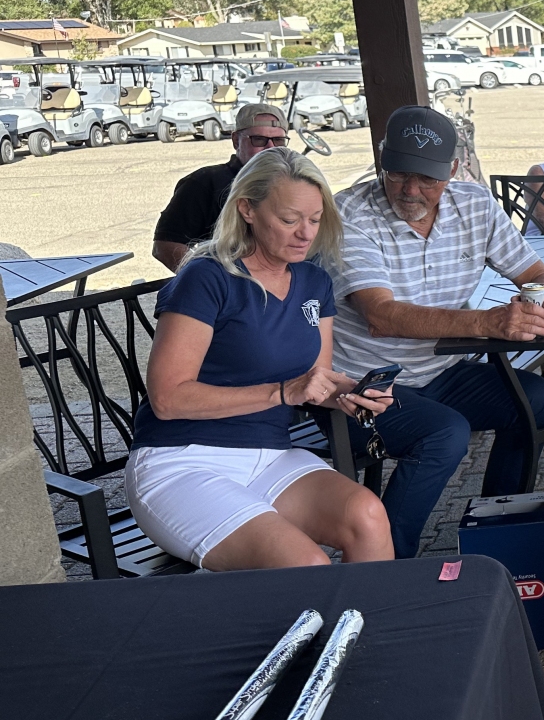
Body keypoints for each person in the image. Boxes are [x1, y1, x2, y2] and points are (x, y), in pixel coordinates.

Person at [127, 149, 395, 570]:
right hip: (182, 460)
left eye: (315, 219)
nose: (305, 233)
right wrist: (282, 392)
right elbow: (167, 399)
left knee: (368, 516)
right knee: (304, 565)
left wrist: (349, 393)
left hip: (270, 455)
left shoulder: (313, 281)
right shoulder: (207, 277)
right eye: (289, 219)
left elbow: (315, 380)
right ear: (247, 209)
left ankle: (376, 615)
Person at [327, 106, 544, 558]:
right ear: (381, 158)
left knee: (535, 399)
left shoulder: (473, 204)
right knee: (444, 433)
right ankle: (386, 561)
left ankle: (498, 533)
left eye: (427, 178)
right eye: (398, 173)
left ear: (453, 170)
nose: (411, 189)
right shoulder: (349, 213)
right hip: (359, 387)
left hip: (440, 372)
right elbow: (381, 316)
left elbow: (534, 271)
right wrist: (487, 322)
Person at [152, 105, 290, 272]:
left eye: (279, 140)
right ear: (236, 140)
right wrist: (207, 280)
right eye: (259, 139)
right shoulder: (204, 183)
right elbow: (165, 246)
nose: (270, 147)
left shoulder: (294, 184)